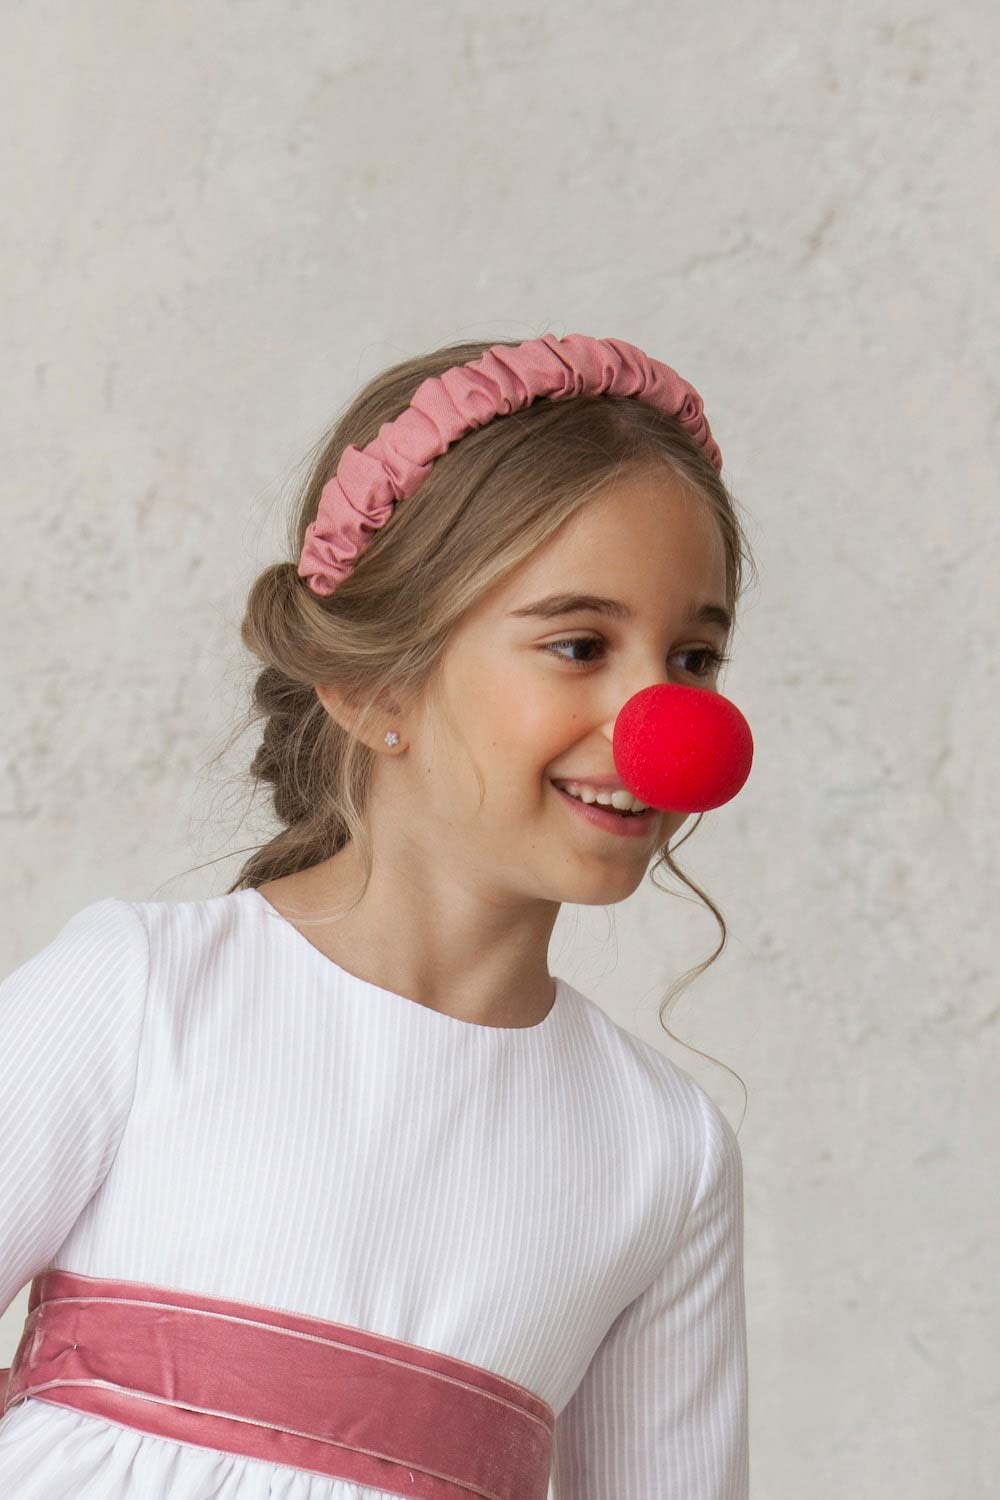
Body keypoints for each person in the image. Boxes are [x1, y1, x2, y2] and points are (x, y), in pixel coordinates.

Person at [0, 333, 756, 1497]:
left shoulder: (663, 1150)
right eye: (578, 644)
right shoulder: (141, 993)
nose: (664, 726)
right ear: (372, 684)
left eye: (693, 657)